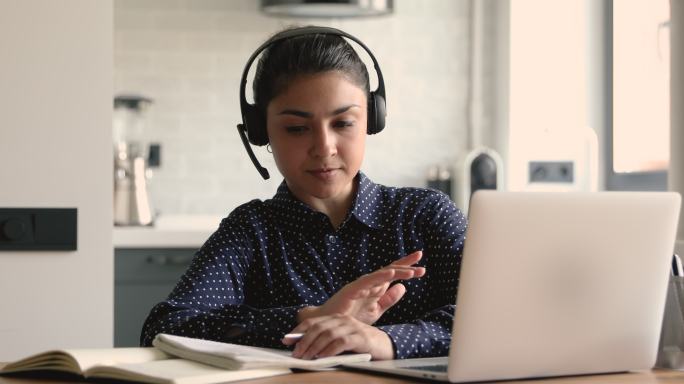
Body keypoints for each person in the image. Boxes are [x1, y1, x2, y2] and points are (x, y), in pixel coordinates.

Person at [140, 26, 467, 361]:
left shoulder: (426, 215)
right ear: (260, 131)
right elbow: (165, 328)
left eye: (342, 124)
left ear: (372, 119)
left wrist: (385, 341)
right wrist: (307, 318)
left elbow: (498, 316)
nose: (324, 148)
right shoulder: (251, 231)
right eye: (297, 129)